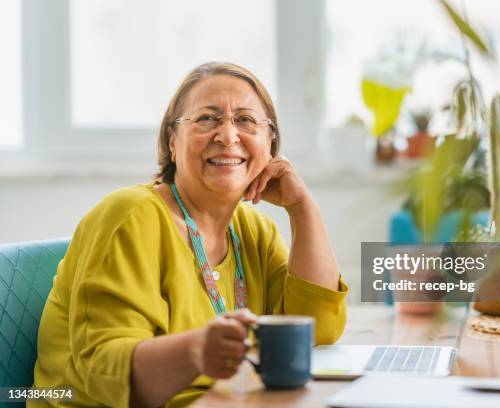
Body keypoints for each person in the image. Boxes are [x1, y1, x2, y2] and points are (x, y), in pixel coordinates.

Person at [30, 62, 348, 407]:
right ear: (172, 142)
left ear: (270, 144)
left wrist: (302, 206)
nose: (227, 136)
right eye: (206, 119)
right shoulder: (131, 216)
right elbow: (105, 372)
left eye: (245, 120)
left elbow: (314, 330)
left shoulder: (253, 229)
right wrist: (196, 351)